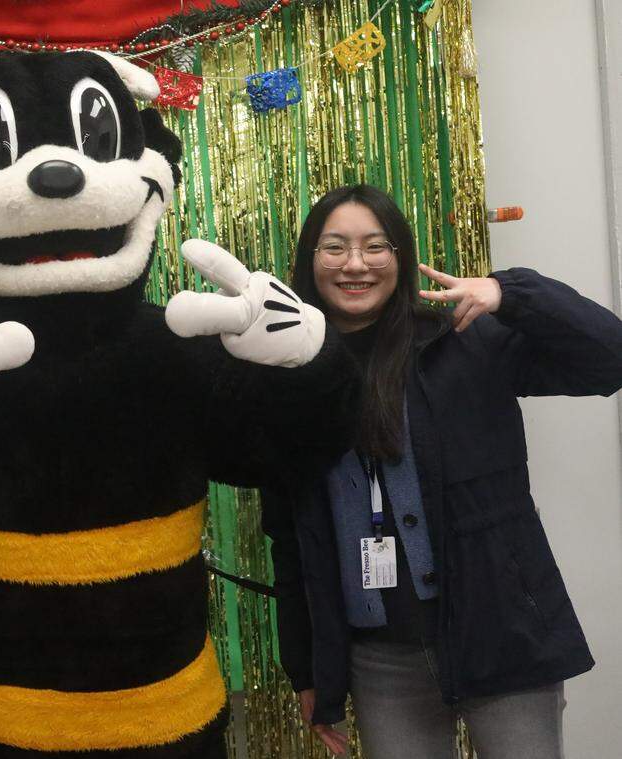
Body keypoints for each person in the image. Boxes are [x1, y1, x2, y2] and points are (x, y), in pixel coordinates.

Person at [261, 184, 622, 759]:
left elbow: (609, 359)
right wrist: (308, 672)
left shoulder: (463, 338)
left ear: (400, 257)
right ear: (310, 261)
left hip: (502, 631)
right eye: (335, 247)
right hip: (382, 661)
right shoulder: (289, 374)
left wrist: (512, 291)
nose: (355, 264)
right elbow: (290, 540)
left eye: (375, 246)